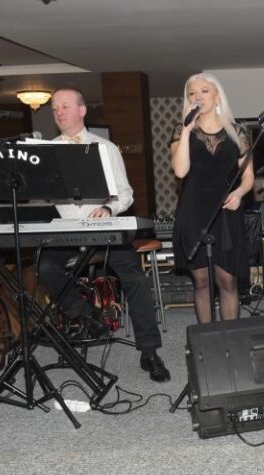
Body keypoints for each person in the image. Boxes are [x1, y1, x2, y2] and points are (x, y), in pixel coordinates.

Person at [37, 87, 170, 382]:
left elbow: (125, 193)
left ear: (82, 110)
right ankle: (87, 314)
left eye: (65, 106)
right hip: (67, 231)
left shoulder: (105, 148)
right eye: (55, 108)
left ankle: (150, 352)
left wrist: (109, 208)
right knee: (44, 267)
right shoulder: (47, 152)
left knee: (135, 279)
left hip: (104, 229)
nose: (58, 112)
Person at [170, 73, 254, 323]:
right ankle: (206, 338)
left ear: (217, 96)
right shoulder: (182, 131)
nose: (197, 97)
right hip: (193, 209)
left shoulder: (237, 132)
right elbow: (180, 171)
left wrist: (239, 192)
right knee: (202, 281)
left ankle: (230, 336)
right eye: (192, 93)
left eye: (204, 91)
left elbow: (248, 176)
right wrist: (186, 130)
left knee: (227, 280)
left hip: (225, 210)